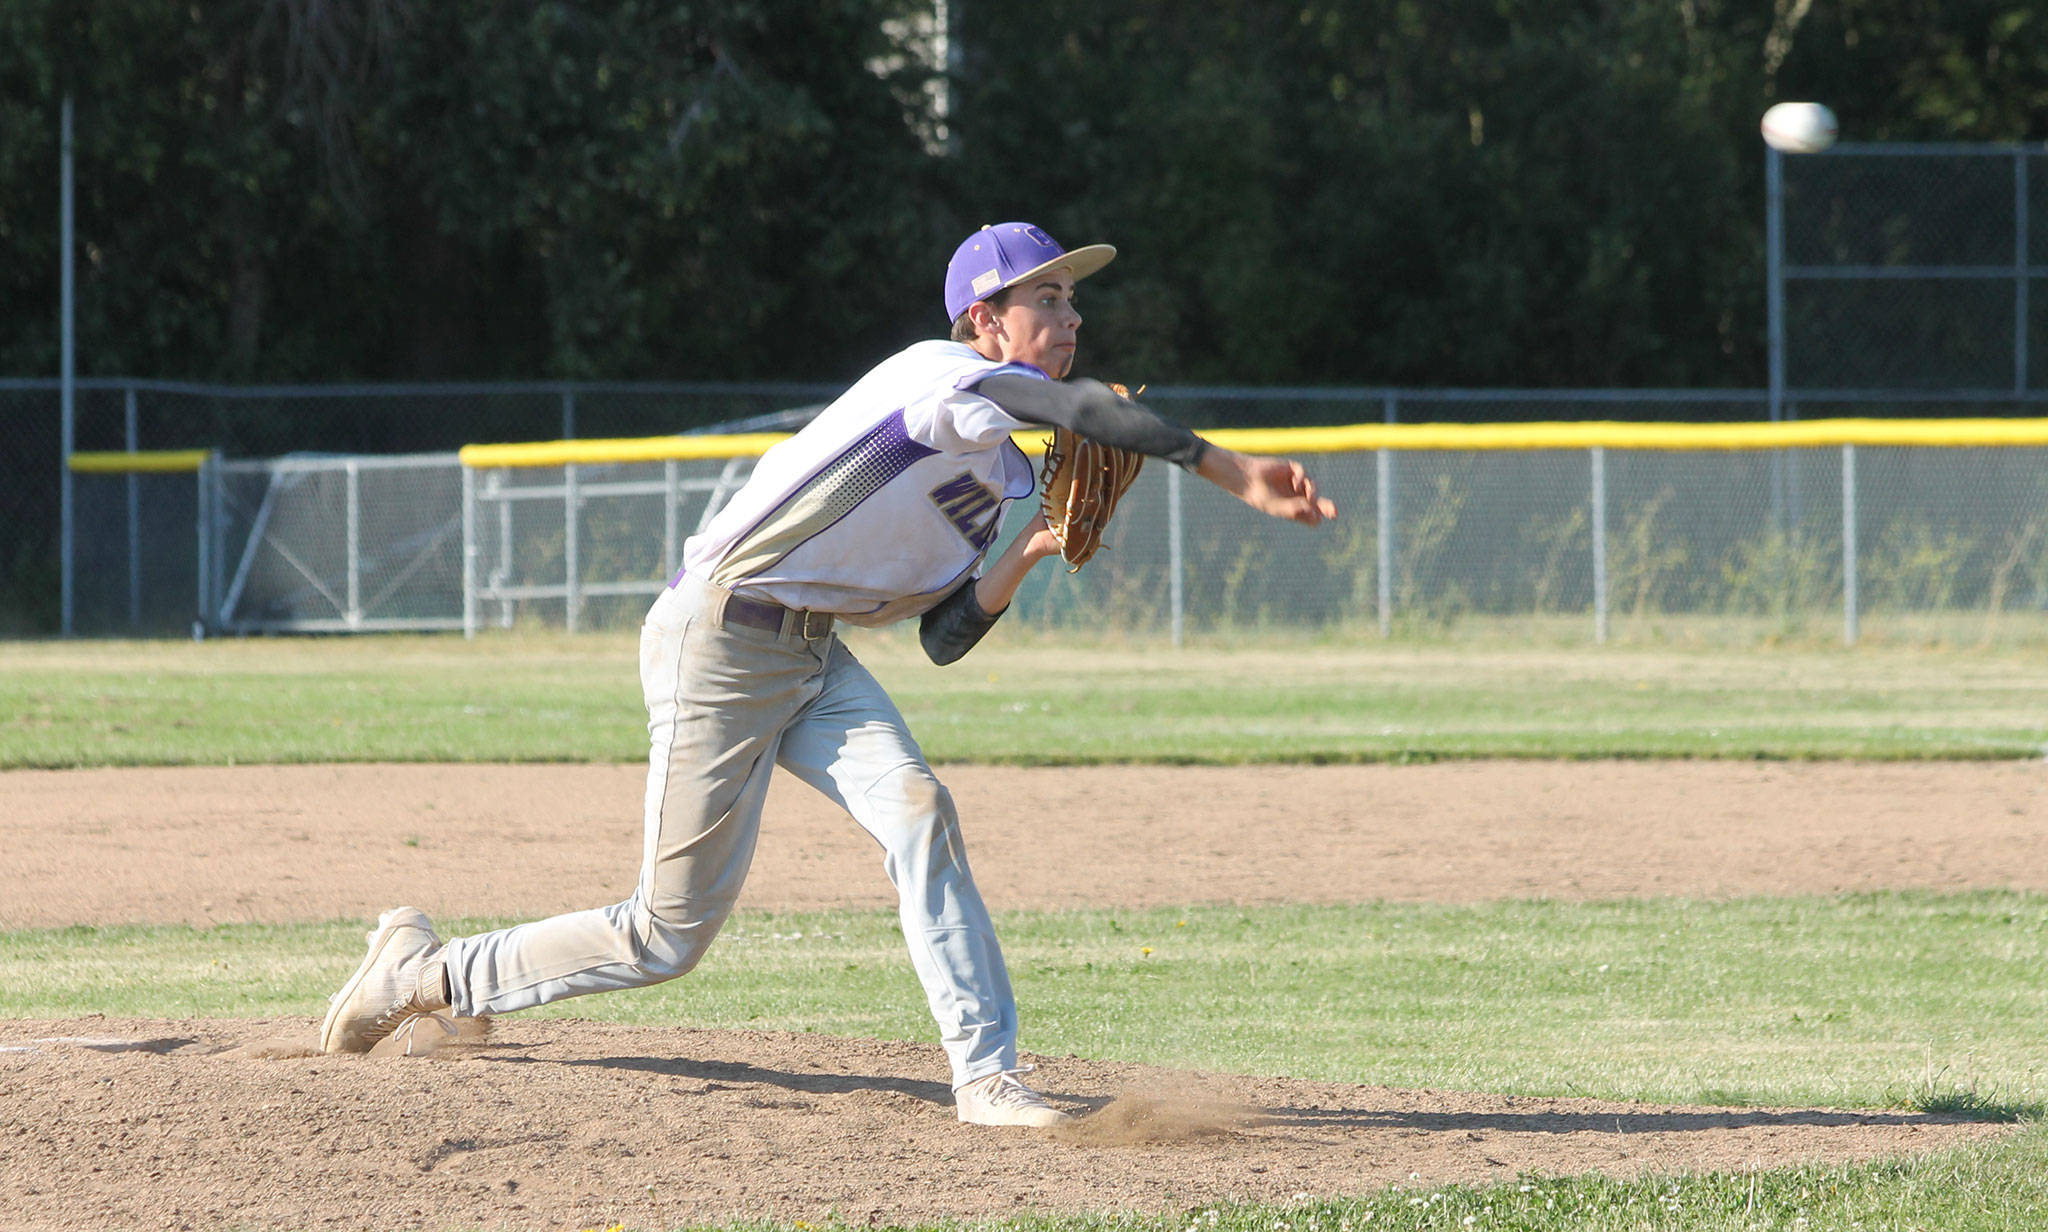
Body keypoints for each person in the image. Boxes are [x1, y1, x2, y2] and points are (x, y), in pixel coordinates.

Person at [319, 221, 1339, 1127]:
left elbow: (943, 634)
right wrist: (1234, 471)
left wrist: (1029, 544)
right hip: (718, 636)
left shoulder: (1007, 468)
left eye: (1071, 297)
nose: (1068, 313)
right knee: (665, 933)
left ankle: (986, 1077)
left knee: (919, 809)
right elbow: (1080, 404)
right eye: (1046, 295)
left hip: (815, 657)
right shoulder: (937, 378)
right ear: (985, 318)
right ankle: (427, 971)